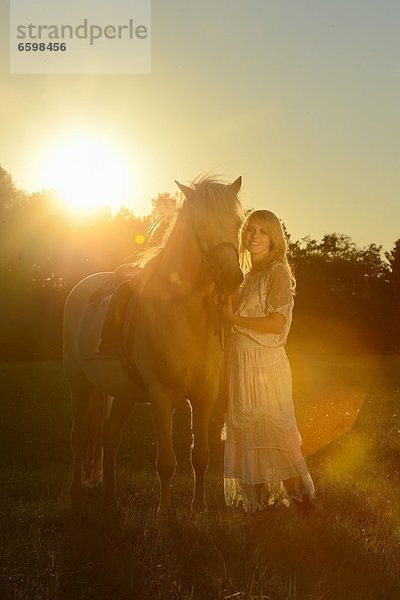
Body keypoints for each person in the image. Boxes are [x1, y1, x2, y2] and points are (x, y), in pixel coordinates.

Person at [222, 209, 315, 512]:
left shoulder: (276, 271)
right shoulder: (247, 277)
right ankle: (259, 506)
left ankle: (303, 504)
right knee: (247, 431)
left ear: (274, 238)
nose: (254, 237)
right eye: (250, 230)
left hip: (264, 363)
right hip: (241, 364)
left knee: (272, 431)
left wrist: (235, 318)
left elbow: (277, 324)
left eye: (262, 231)